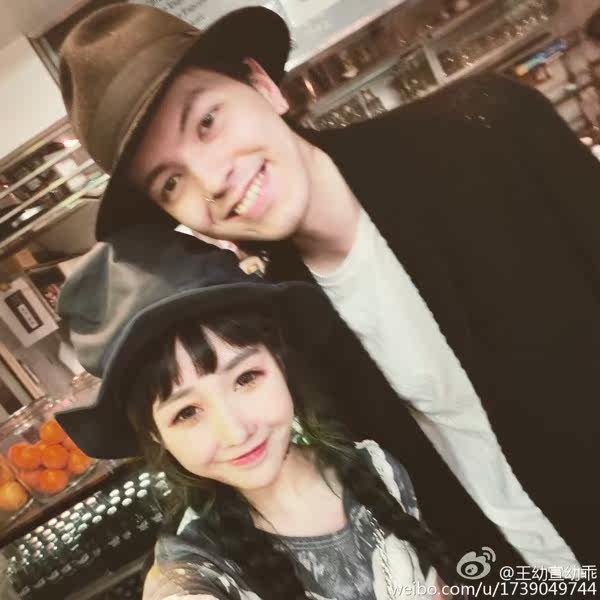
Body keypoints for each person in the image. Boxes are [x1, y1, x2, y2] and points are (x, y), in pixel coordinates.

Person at [58, 4, 600, 568]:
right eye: (171, 182)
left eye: (207, 122)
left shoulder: (487, 133)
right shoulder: (283, 322)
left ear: (262, 84)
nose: (212, 180)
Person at [56, 226, 457, 600]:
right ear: (156, 434)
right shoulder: (190, 573)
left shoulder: (375, 465)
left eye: (246, 378)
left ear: (280, 364)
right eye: (187, 412)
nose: (235, 432)